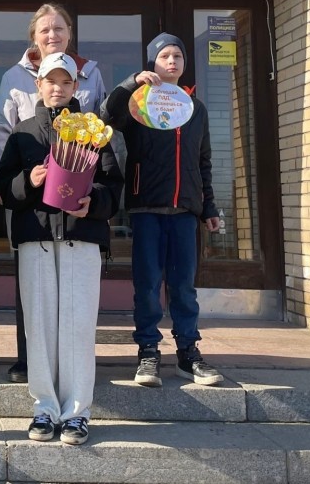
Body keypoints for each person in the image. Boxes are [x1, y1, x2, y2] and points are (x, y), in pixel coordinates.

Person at [0, 53, 122, 446]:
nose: (58, 88)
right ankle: (45, 408)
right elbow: (3, 190)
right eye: (51, 81)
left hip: (82, 240)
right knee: (40, 328)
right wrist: (28, 180)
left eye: (66, 82)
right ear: (38, 85)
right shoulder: (22, 134)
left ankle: (77, 412)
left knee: (79, 328)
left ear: (76, 86)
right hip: (36, 241)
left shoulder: (94, 131)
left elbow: (113, 187)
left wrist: (93, 203)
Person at [0, 3, 107, 384]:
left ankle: (72, 369)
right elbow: (3, 131)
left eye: (59, 28)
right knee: (32, 289)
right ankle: (29, 360)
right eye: (45, 29)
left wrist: (95, 198)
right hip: (32, 205)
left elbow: (102, 138)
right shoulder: (13, 77)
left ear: (69, 34)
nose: (52, 34)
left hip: (76, 211)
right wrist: (11, 185)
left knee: (74, 297)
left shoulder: (90, 73)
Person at [99, 32, 224, 388]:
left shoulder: (195, 108)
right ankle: (148, 352)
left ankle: (188, 353)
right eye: (165, 56)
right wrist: (131, 82)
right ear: (153, 62)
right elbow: (106, 115)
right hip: (146, 208)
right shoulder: (139, 102)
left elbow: (203, 161)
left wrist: (208, 206)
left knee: (184, 286)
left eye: (178, 56)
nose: (172, 61)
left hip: (185, 211)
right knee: (148, 285)